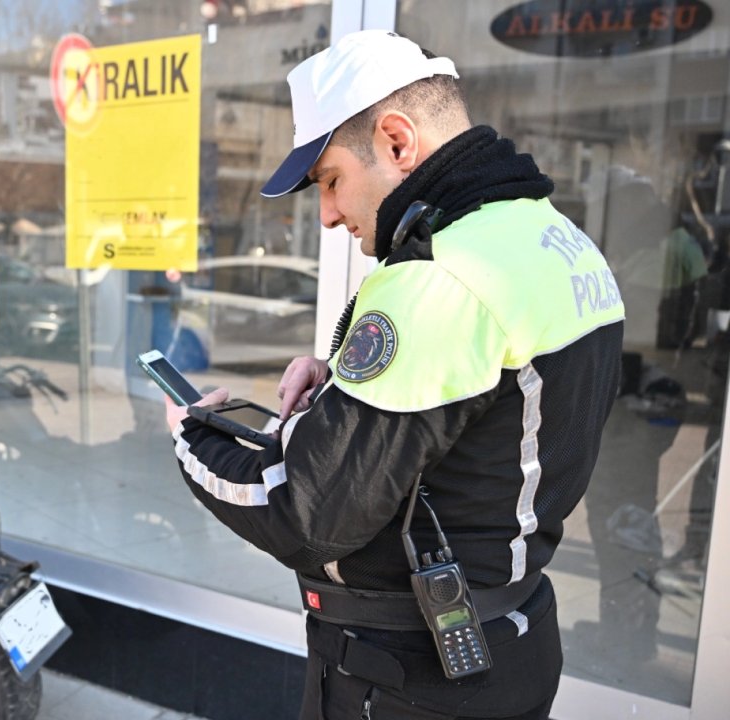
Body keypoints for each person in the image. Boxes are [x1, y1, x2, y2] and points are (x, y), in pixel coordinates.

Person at [163, 30, 624, 719]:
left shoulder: (440, 279)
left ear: (398, 142)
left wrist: (191, 439)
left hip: (407, 678)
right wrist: (342, 384)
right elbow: (490, 413)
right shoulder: (554, 239)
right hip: (509, 640)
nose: (326, 214)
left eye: (330, 180)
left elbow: (308, 516)